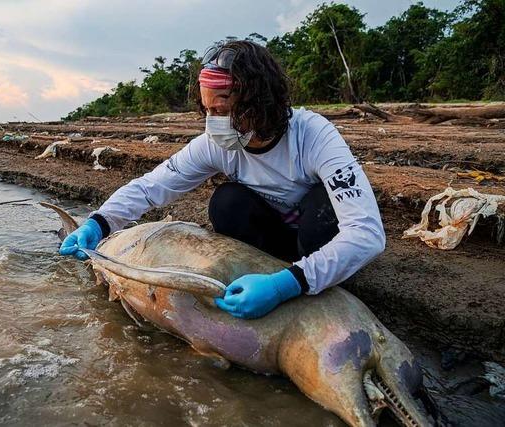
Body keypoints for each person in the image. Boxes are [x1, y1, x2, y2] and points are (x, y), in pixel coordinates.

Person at [59, 40, 385, 319]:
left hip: (314, 236)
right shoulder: (217, 145)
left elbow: (366, 234)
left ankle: (307, 277)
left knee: (324, 208)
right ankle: (267, 275)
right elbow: (153, 187)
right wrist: (99, 223)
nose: (215, 123)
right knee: (227, 203)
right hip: (272, 238)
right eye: (208, 112)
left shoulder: (314, 136)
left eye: (225, 109)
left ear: (260, 102)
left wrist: (287, 284)